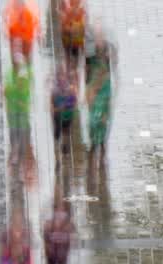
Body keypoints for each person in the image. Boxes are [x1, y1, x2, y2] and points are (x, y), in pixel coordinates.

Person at [84, 23, 112, 169]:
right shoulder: (90, 53)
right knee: (93, 119)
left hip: (104, 88)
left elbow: (108, 71)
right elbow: (87, 70)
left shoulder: (107, 50)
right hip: (93, 86)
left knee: (103, 118)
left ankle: (102, 145)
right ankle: (94, 142)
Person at [42, 196, 75, 264]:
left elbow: (45, 234)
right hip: (55, 253)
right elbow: (46, 234)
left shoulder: (59, 221)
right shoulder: (54, 222)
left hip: (58, 254)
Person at [50, 63, 78, 160]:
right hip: (58, 115)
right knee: (57, 133)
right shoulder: (54, 90)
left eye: (63, 75)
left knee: (66, 132)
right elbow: (51, 104)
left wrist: (69, 106)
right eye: (59, 75)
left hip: (67, 115)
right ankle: (57, 151)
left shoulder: (70, 88)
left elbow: (74, 101)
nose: (61, 78)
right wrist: (56, 109)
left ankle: (65, 148)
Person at [4, 0, 40, 68]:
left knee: (26, 54)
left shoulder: (29, 11)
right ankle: (17, 67)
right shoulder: (12, 10)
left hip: (26, 33)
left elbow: (35, 19)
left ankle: (26, 66)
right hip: (16, 31)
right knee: (17, 54)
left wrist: (38, 31)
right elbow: (6, 17)